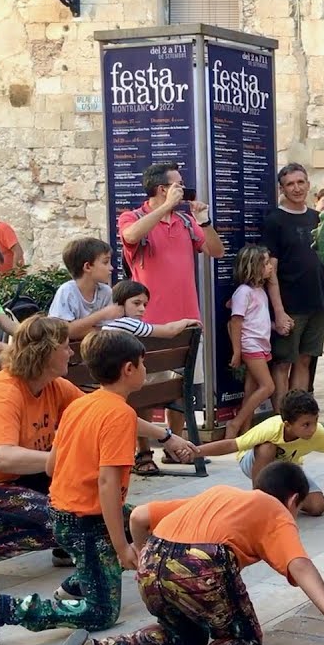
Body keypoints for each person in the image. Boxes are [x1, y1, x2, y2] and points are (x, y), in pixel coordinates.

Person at [42, 462, 324, 645]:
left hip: (152, 559)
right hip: (198, 565)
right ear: (293, 500)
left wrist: (143, 558)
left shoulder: (220, 494)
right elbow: (300, 565)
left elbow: (139, 516)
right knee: (245, 641)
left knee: (184, 635)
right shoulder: (276, 509)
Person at [0, 330, 149, 645]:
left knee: (142, 523)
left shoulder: (80, 404)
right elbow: (107, 483)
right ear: (129, 369)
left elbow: (53, 464)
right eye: (143, 363)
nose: (145, 369)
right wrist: (121, 547)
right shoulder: (119, 413)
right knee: (101, 613)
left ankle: (78, 583)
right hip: (85, 520)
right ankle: (5, 608)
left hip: (63, 512)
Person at [0, 316, 81, 589]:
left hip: (13, 479)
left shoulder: (53, 386)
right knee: (62, 519)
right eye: (66, 346)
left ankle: (65, 546)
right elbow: (2, 458)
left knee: (85, 501)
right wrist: (62, 458)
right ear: (46, 353)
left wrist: (165, 437)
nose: (71, 352)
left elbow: (99, 414)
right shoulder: (2, 394)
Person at [117, 162, 225, 444]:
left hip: (187, 321)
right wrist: (165, 208)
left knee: (181, 388)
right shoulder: (132, 217)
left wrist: (204, 221)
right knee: (143, 389)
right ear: (162, 189)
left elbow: (217, 251)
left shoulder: (186, 222)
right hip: (148, 325)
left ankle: (176, 445)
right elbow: (130, 236)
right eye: (178, 185)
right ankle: (143, 452)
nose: (184, 189)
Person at [194, 391, 324, 517]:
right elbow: (233, 444)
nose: (312, 429)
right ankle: (259, 500)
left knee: (318, 506)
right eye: (306, 424)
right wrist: (197, 452)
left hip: (287, 470)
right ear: (287, 424)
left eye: (315, 421)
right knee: (267, 448)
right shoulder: (271, 428)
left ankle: (281, 500)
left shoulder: (317, 433)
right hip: (254, 463)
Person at [102, 280, 201, 475]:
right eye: (136, 303)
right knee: (175, 384)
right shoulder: (128, 323)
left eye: (144, 304)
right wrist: (185, 322)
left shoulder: (109, 325)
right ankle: (174, 448)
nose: (142, 309)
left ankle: (145, 452)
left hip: (124, 383)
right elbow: (169, 331)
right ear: (119, 304)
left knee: (150, 385)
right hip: (132, 387)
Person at [262, 163, 324, 407]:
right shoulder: (275, 221)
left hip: (317, 303)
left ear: (308, 184)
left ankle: (297, 415)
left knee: (305, 361)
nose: (297, 188)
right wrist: (279, 312)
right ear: (282, 188)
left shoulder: (316, 218)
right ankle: (281, 419)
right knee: (282, 363)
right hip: (290, 305)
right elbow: (271, 271)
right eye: (290, 184)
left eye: (301, 182)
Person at [225, 245, 276, 439]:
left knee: (251, 389)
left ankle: (245, 430)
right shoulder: (244, 292)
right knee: (268, 387)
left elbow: (256, 318)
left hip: (261, 344)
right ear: (253, 267)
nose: (270, 267)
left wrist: (275, 326)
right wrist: (237, 351)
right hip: (251, 345)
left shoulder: (259, 291)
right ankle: (235, 423)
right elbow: (236, 321)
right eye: (266, 263)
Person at [48, 237, 121, 340]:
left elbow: (109, 330)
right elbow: (62, 332)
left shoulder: (106, 292)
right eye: (105, 262)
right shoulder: (67, 291)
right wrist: (102, 315)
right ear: (87, 267)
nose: (111, 268)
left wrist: (78, 329)